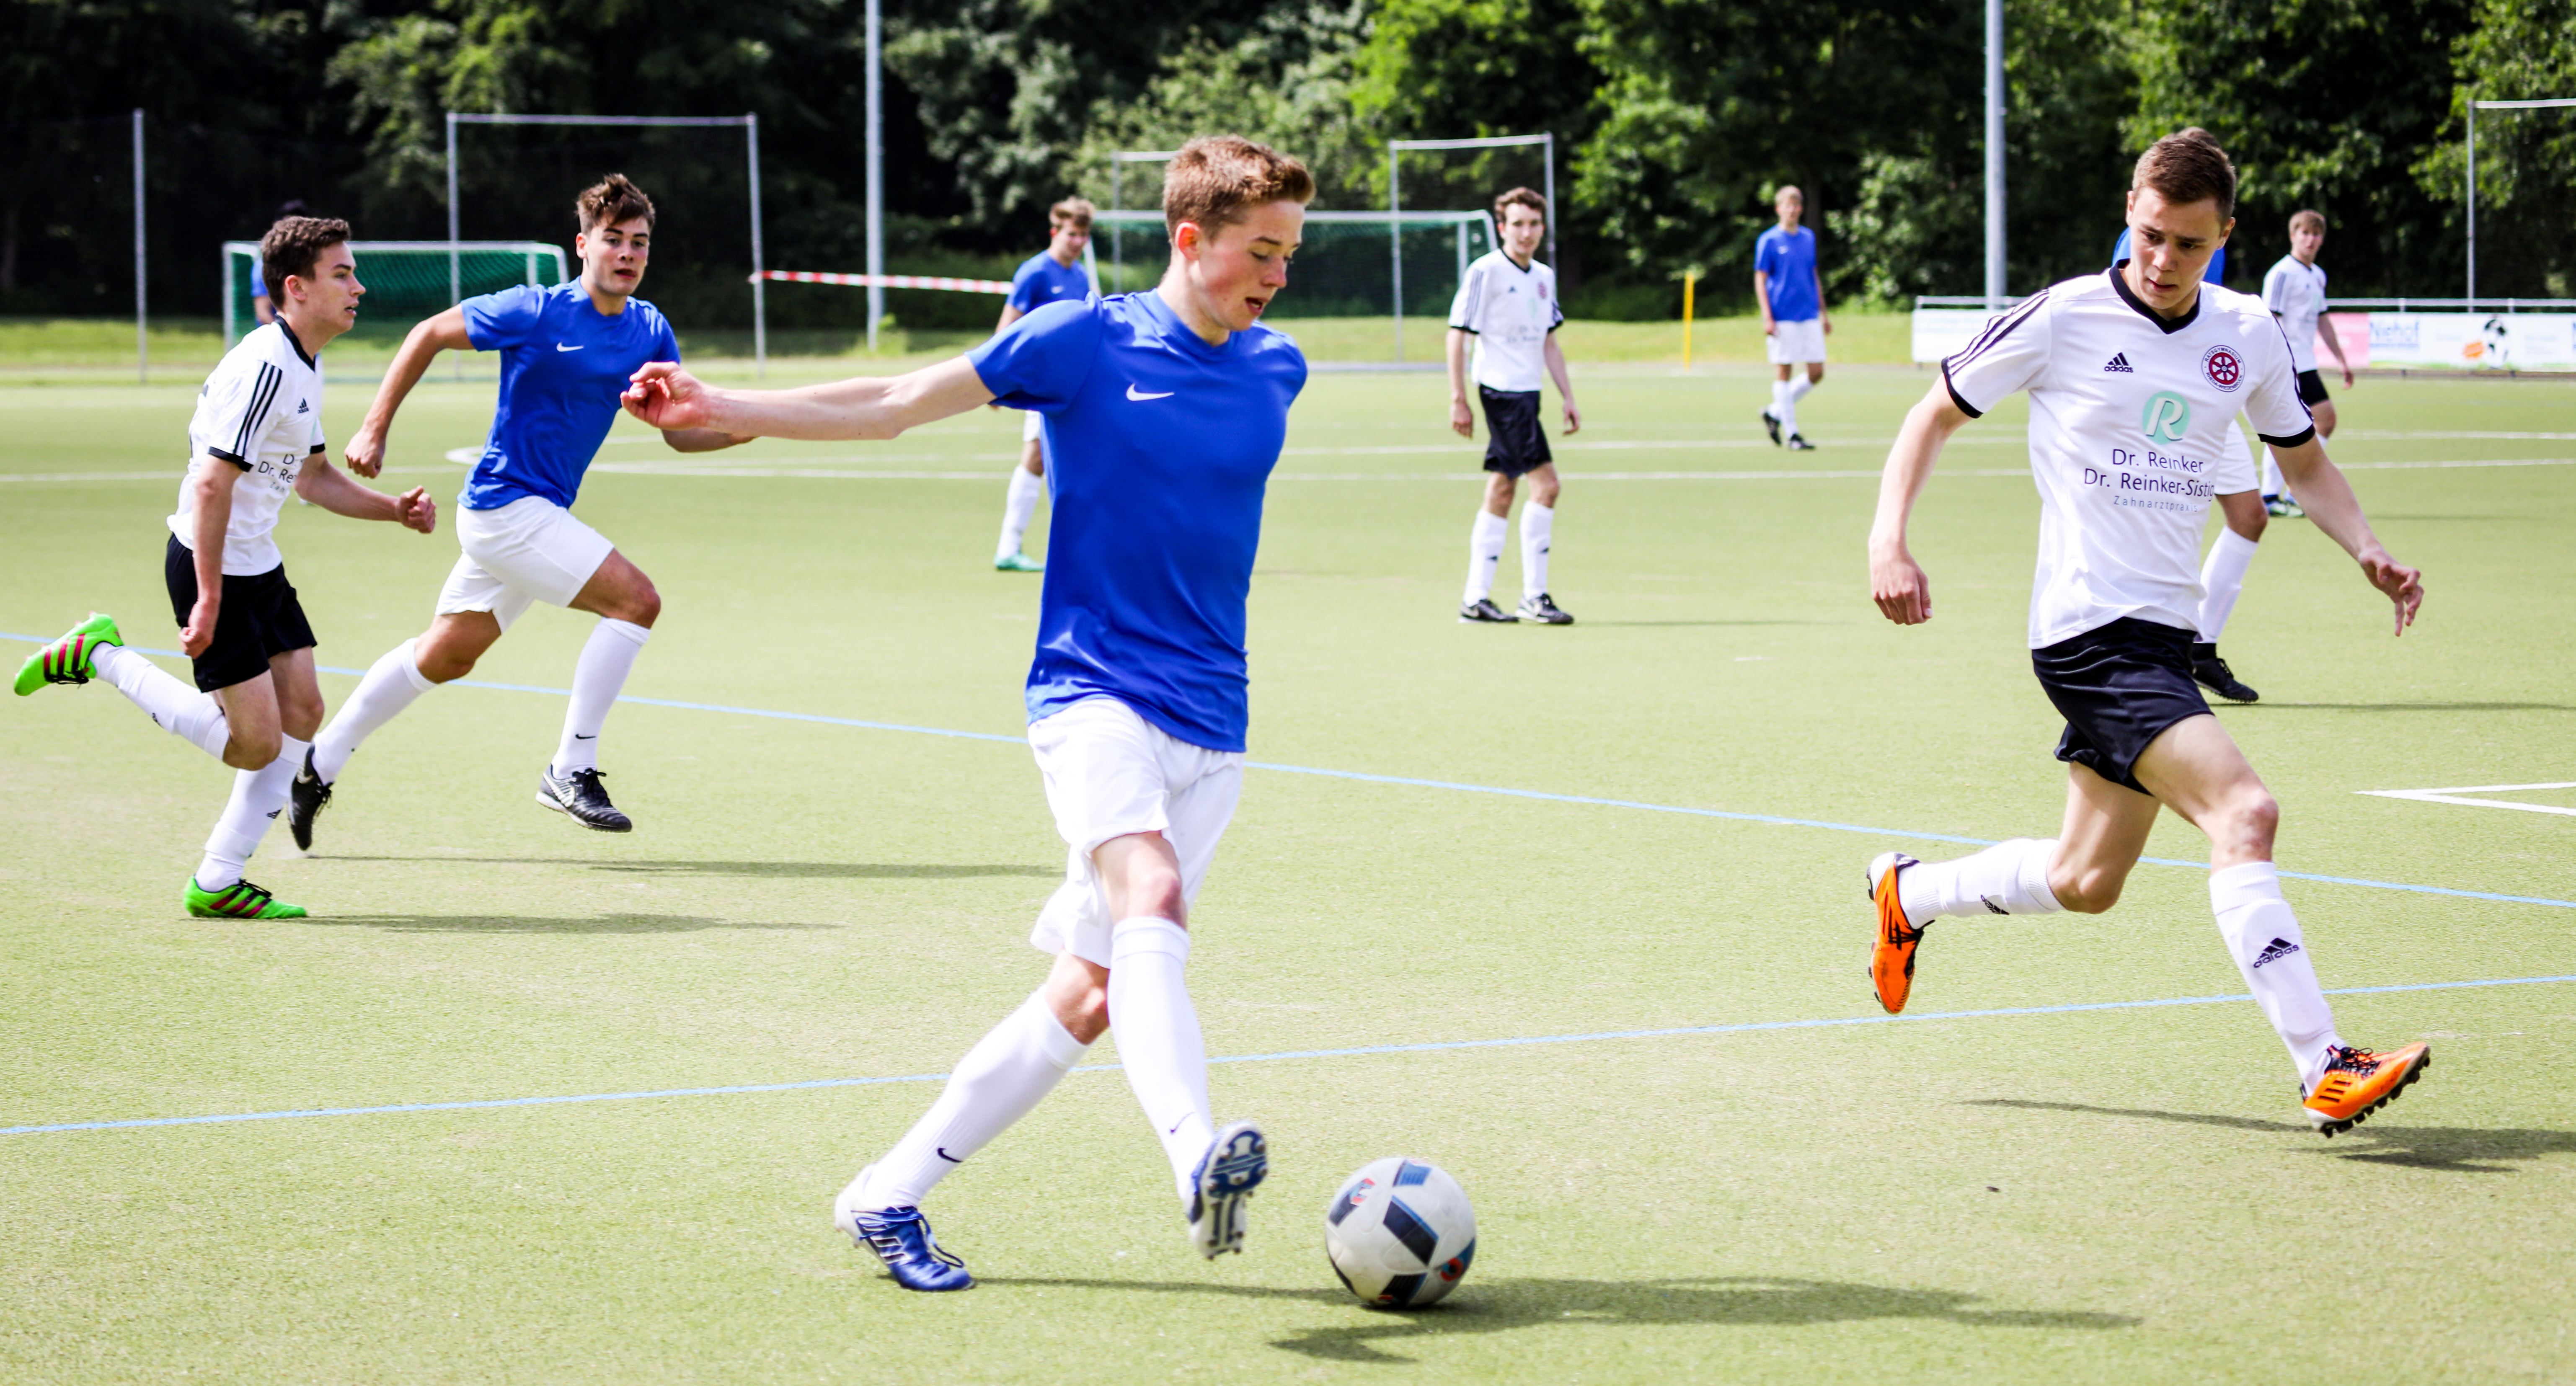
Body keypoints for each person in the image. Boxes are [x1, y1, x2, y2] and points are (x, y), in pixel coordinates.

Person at [618, 135, 1310, 1291]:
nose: (1278, 277)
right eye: (1261, 251)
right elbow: (893, 400)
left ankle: (883, 1192)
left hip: (1216, 717)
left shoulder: (1278, 366)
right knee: (1149, 889)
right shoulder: (1081, 339)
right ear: (1190, 238)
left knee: (1089, 993)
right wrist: (715, 401)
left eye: (1289, 254)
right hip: (1092, 690)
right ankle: (1197, 1155)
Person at [1862, 129, 2431, 1138]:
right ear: (2129, 209)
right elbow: (1929, 416)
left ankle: (1907, 892)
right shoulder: (2063, 315)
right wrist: (1886, 542)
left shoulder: (2248, 330)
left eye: (2189, 245)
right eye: (2150, 235)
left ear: (2224, 237)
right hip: (2087, 634)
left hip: (2161, 639)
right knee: (2244, 812)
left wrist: (2367, 548)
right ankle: (2323, 1061)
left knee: (2085, 879)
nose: (2162, 261)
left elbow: (2300, 462)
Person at [289, 175, 744, 847]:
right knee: (636, 602)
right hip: (504, 508)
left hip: (532, 517)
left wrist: (753, 426)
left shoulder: (650, 328)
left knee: (445, 656)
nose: (627, 253)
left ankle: (316, 766)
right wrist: (374, 427)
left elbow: (679, 433)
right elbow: (427, 333)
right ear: (582, 245)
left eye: (639, 242)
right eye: (613, 239)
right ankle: (571, 768)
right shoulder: (534, 310)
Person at [13, 217, 437, 918]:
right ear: (296, 288)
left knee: (304, 711)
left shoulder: (303, 361)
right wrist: (208, 597)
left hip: (256, 562)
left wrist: (393, 510)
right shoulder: (266, 366)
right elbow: (212, 485)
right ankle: (101, 656)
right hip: (212, 565)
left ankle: (217, 879)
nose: (358, 287)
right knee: (253, 744)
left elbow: (312, 478)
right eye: (342, 275)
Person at [2112, 225, 2267, 702]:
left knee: (2249, 516)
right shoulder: (2148, 231)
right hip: (2153, 392)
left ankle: (2200, 647)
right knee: (2144, 512)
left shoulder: (2209, 234)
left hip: (2202, 394)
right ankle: (2137, 649)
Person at [1447, 186, 1580, 625]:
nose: (1526, 233)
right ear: (1502, 227)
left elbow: (1549, 343)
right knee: (1547, 486)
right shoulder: (1485, 271)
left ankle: (1475, 599)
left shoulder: (1543, 277)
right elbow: (1457, 334)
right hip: (1501, 393)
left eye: (1534, 224)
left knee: (1503, 488)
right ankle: (1534, 596)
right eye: (1518, 224)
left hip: (1528, 393)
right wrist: (1458, 398)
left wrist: (1567, 396)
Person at [991, 197, 1097, 572]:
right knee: (1037, 458)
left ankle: (1081, 548)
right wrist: (993, 379)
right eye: (1072, 234)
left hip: (1072, 383)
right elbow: (1007, 327)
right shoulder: (1034, 272)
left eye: (1083, 235)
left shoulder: (1080, 276)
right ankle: (1009, 547)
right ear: (1055, 232)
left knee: (1075, 459)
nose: (1078, 242)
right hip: (1041, 383)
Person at [2259, 210, 2355, 516]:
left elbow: (2322, 320)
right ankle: (2283, 494)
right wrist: (2274, 363)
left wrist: (2342, 361)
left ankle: (2279, 495)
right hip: (2288, 364)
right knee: (2320, 420)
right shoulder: (2282, 274)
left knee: (2303, 424)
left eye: (2316, 234)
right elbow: (2270, 320)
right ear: (2293, 236)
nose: (2311, 240)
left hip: (2305, 362)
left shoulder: (2317, 275)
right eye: (2305, 233)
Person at [1755, 185, 1829, 451]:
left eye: (1797, 205)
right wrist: (1767, 317)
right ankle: (1793, 435)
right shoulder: (1769, 240)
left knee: (1816, 372)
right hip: (1782, 316)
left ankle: (1774, 412)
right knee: (1784, 370)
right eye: (1788, 205)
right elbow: (1760, 280)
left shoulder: (1808, 237)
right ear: (1779, 209)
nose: (1793, 210)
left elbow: (1813, 275)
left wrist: (1824, 312)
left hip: (1808, 314)